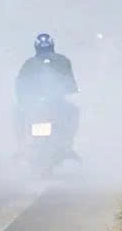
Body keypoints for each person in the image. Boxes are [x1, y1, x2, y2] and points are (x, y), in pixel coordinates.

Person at [15, 33, 80, 161]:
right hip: (44, 104)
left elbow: (20, 83)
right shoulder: (62, 60)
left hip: (41, 104)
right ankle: (67, 144)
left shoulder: (29, 63)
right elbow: (70, 81)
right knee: (74, 112)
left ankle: (22, 146)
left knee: (17, 114)